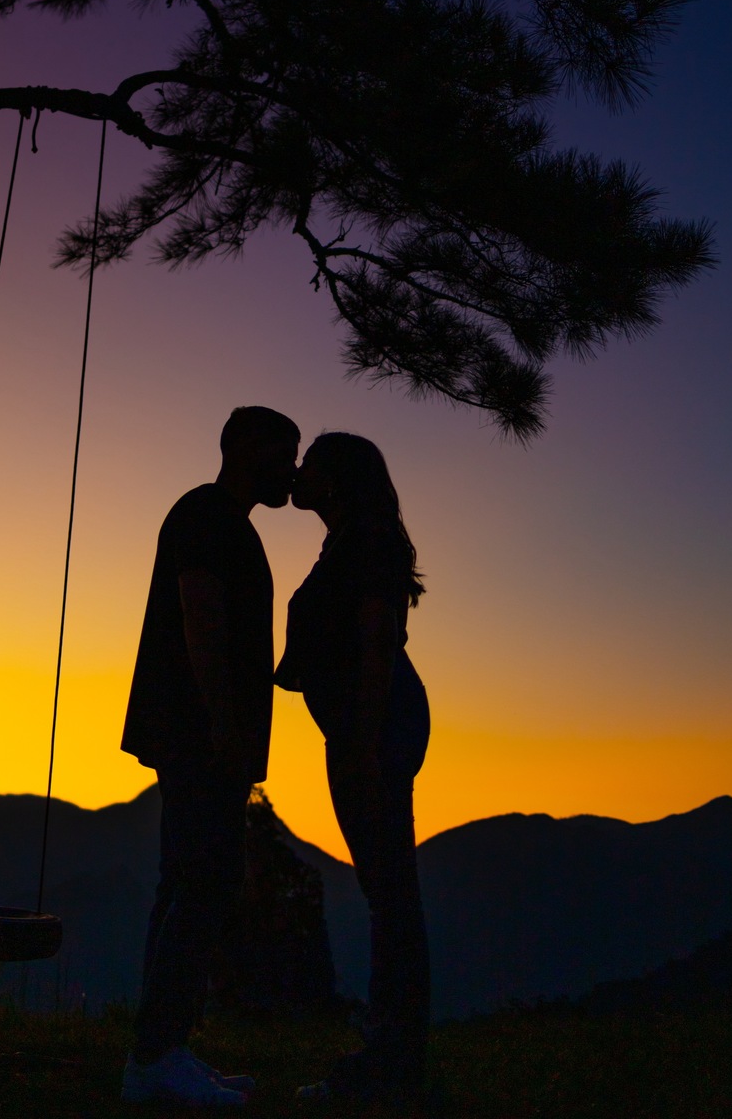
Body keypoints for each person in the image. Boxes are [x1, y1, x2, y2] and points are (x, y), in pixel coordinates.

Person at [119, 405, 300, 1107]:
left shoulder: (229, 523)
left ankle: (162, 1049)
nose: (292, 468)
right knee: (204, 882)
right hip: (200, 734)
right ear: (248, 448)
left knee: (185, 883)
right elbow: (199, 612)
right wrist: (224, 724)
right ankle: (156, 1055)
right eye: (285, 453)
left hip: (201, 733)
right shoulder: (207, 515)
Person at [275, 432, 430, 1111]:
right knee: (384, 883)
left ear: (334, 478)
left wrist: (363, 747)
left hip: (376, 725)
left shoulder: (367, 538)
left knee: (388, 887)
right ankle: (394, 1047)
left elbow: (376, 645)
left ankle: (390, 1055)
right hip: (364, 727)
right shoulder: (348, 539)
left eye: (308, 462)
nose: (297, 471)